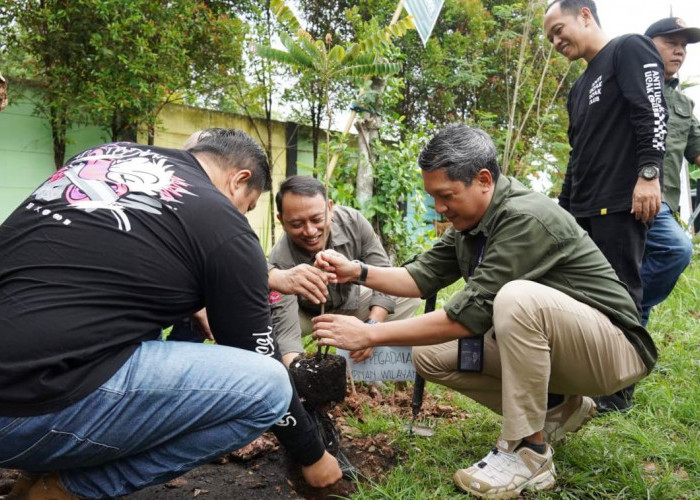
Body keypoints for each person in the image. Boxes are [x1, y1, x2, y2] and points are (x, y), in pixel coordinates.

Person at [312, 124, 657, 499]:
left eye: (446, 195)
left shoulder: (524, 217)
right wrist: (358, 271)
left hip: (613, 350)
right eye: (433, 197)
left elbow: (465, 317)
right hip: (566, 348)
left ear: (483, 180)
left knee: (516, 299)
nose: (439, 208)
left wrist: (370, 334)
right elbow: (420, 276)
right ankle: (560, 407)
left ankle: (529, 452)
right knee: (429, 356)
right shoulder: (470, 223)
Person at [0, 129, 340, 500]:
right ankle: (65, 491)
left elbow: (105, 266)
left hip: (19, 385)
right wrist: (311, 453)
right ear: (240, 180)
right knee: (269, 386)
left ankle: (35, 475)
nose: (241, 214)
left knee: (90, 334)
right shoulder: (223, 220)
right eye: (249, 205)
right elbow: (257, 355)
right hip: (21, 413)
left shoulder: (101, 159)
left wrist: (195, 304)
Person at [544, 0, 668, 413]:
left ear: (584, 14)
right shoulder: (579, 87)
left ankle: (618, 392)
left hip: (621, 201)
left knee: (621, 294)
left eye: (559, 29)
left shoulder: (629, 48)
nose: (556, 40)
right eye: (550, 37)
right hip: (582, 207)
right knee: (578, 297)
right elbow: (577, 153)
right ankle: (582, 380)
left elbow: (652, 110)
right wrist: (561, 209)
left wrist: (649, 173)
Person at [268, 175, 421, 367]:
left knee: (408, 294)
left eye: (317, 219)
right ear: (282, 220)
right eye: (297, 224)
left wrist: (371, 330)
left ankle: (372, 366)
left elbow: (383, 272)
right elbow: (287, 335)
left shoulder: (354, 223)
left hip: (351, 301)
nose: (310, 231)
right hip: (305, 314)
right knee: (270, 331)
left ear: (330, 208)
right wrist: (300, 374)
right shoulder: (280, 259)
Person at [639, 17, 699, 325]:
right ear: (648, 45)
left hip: (664, 205)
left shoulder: (684, 104)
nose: (679, 51)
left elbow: (696, 150)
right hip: (627, 199)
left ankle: (627, 359)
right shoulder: (630, 87)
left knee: (650, 267)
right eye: (671, 43)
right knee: (677, 249)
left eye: (684, 46)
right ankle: (621, 310)